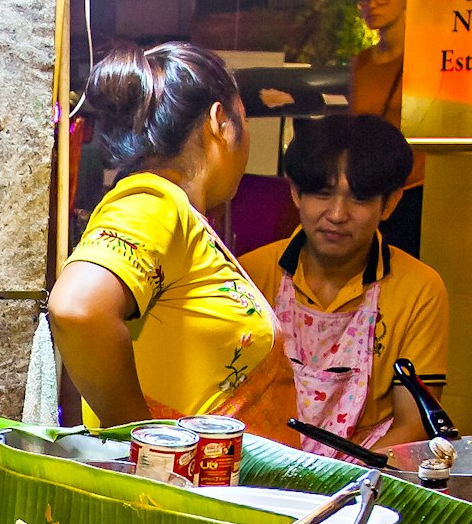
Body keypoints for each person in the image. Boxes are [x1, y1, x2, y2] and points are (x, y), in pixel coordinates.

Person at [51, 42, 296, 434]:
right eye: (244, 119)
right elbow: (78, 308)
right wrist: (141, 440)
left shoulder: (180, 216)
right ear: (220, 120)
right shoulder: (155, 201)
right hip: (181, 490)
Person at [245, 114, 449, 449]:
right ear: (296, 192)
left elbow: (414, 426)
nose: (337, 214)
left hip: (365, 479)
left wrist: (339, 480)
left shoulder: (421, 289)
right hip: (264, 470)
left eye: (359, 198)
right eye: (322, 194)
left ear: (391, 203)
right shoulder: (251, 273)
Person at [343, 0, 426, 252]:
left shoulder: (425, 58)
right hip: (372, 188)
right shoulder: (362, 63)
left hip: (415, 191)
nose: (372, 4)